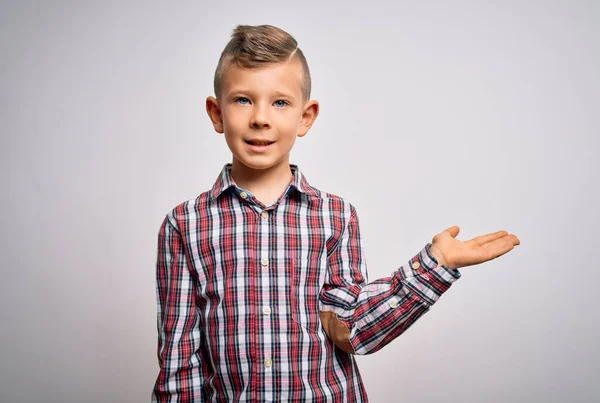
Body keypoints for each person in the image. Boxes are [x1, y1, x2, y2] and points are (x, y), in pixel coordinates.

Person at [151, 24, 520, 402]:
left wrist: (435, 264)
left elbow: (351, 327)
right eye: (243, 99)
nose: (261, 118)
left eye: (280, 103)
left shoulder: (336, 216)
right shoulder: (184, 225)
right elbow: (181, 363)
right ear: (216, 113)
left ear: (306, 117)